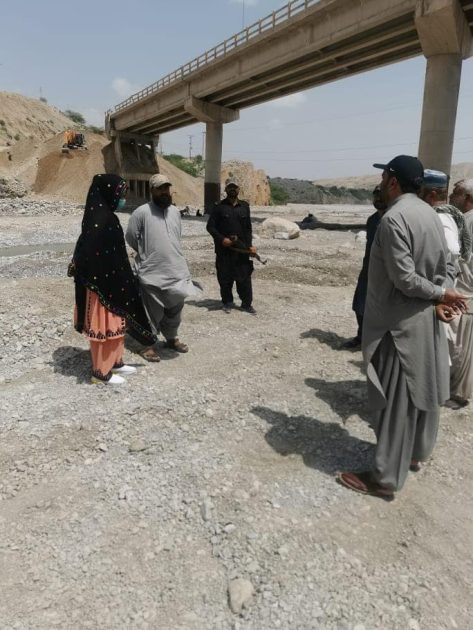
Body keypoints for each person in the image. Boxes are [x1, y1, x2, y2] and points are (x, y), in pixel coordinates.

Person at [337, 156, 466, 499]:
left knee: (395, 402)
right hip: (424, 318)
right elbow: (447, 265)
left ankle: (385, 478)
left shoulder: (393, 219)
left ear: (393, 181)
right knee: (421, 388)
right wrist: (439, 296)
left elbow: (405, 279)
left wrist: (440, 294)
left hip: (397, 326)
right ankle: (415, 454)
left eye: (383, 177)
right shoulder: (430, 213)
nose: (380, 183)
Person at [72, 174, 156, 385]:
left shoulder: (107, 216)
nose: (122, 198)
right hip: (102, 286)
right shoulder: (100, 219)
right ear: (108, 192)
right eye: (120, 193)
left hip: (115, 281)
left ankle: (115, 361)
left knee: (118, 324)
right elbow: (90, 254)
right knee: (105, 326)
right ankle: (100, 372)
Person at [126, 173, 200, 362]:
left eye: (166, 188)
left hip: (176, 269)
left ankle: (171, 338)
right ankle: (147, 344)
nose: (164, 192)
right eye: (160, 188)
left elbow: (176, 237)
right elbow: (131, 237)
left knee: (175, 307)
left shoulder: (175, 212)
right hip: (152, 271)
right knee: (151, 311)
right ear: (152, 190)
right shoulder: (141, 212)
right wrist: (148, 254)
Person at [343, 186, 387, 349]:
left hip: (386, 273)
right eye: (375, 196)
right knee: (359, 304)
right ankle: (362, 336)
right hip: (368, 268)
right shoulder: (372, 220)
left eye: (381, 196)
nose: (378, 199)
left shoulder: (392, 219)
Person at [206, 181, 257, 314]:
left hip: (242, 249)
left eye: (234, 187)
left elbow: (248, 229)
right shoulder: (219, 207)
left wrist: (250, 246)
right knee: (225, 278)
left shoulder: (244, 206)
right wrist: (222, 239)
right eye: (230, 187)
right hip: (224, 251)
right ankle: (227, 302)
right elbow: (210, 227)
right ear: (226, 189)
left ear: (238, 189)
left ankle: (246, 304)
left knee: (244, 278)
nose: (232, 189)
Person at [447, 179, 473, 408]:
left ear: (467, 198)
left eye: (456, 193)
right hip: (464, 290)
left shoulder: (466, 221)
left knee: (461, 347)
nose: (451, 196)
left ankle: (458, 394)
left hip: (465, 292)